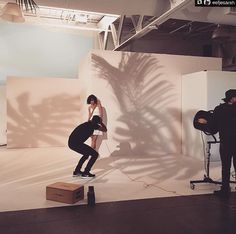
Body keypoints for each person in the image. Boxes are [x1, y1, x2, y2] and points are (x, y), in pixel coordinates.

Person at [198, 89, 236, 197]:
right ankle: (224, 188)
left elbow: (213, 127)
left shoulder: (219, 109)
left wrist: (205, 123)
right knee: (229, 165)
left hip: (226, 141)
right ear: (232, 98)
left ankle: (225, 189)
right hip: (229, 141)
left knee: (226, 166)